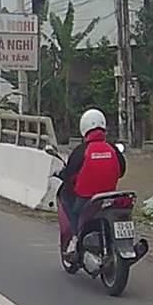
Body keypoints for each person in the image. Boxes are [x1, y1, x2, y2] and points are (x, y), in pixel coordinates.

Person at [60, 108, 127, 254]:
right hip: (110, 196)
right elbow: (122, 170)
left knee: (69, 205)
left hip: (87, 198)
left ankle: (75, 239)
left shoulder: (81, 150)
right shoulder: (112, 148)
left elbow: (69, 175)